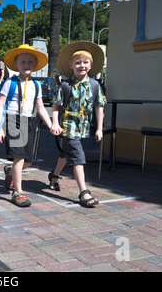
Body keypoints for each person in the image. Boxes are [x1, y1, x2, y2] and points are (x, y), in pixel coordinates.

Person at [0, 44, 53, 207]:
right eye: (23, 62)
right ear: (16, 64)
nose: (26, 65)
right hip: (13, 120)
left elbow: (40, 108)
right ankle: (18, 191)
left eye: (30, 62)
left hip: (28, 122)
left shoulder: (37, 85)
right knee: (18, 158)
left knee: (29, 160)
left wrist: (51, 124)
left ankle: (10, 172)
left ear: (34, 65)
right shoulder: (9, 82)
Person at [50, 41, 106, 208]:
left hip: (83, 128)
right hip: (68, 127)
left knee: (67, 154)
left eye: (85, 62)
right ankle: (84, 191)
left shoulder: (96, 86)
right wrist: (54, 123)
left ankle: (54, 176)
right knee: (78, 157)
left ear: (91, 65)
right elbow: (55, 106)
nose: (82, 65)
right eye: (78, 63)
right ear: (71, 65)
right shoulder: (65, 86)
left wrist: (99, 128)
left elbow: (99, 107)